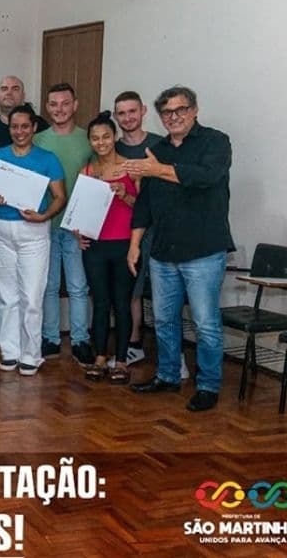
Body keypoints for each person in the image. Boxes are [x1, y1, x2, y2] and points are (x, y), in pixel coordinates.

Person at [128, 86, 233, 412]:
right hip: (162, 251)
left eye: (180, 110)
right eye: (167, 113)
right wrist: (134, 244)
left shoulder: (215, 142)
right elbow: (144, 202)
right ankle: (168, 375)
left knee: (205, 323)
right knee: (163, 320)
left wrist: (156, 169)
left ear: (195, 110)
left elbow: (204, 177)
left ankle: (208, 385)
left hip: (203, 250)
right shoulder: (157, 148)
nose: (174, 117)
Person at [0, 104, 66, 375]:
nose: (19, 132)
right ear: (10, 129)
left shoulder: (48, 158)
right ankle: (10, 350)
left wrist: (44, 216)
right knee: (6, 295)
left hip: (34, 232)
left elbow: (60, 197)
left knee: (31, 294)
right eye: (14, 127)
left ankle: (31, 353)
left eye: (24, 127)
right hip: (0, 229)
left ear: (33, 128)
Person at [0, 76, 48, 349]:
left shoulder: (43, 135)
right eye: (4, 88)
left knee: (31, 289)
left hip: (33, 224)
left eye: (15, 88)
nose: (9, 93)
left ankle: (32, 346)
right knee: (1, 284)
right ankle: (0, 332)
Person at [77, 113, 139, 385]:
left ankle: (122, 360)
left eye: (105, 136)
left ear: (114, 137)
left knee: (122, 303)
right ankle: (100, 357)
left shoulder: (132, 169)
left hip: (124, 244)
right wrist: (78, 233)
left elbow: (143, 210)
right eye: (95, 138)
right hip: (96, 245)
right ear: (89, 142)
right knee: (100, 302)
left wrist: (125, 195)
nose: (101, 142)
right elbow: (78, 211)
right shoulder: (87, 172)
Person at [34, 83, 93, 365]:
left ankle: (81, 340)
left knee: (78, 286)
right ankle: (51, 338)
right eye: (54, 104)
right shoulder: (38, 140)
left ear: (75, 105)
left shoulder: (88, 139)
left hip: (78, 226)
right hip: (44, 223)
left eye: (65, 103)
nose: (59, 109)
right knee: (48, 285)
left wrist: (88, 224)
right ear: (47, 107)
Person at [112, 90, 164, 366]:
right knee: (129, 288)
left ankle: (169, 353)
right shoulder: (113, 148)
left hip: (157, 231)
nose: (127, 117)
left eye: (132, 111)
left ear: (143, 111)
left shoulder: (159, 145)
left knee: (161, 290)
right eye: (121, 113)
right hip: (122, 230)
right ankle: (133, 343)